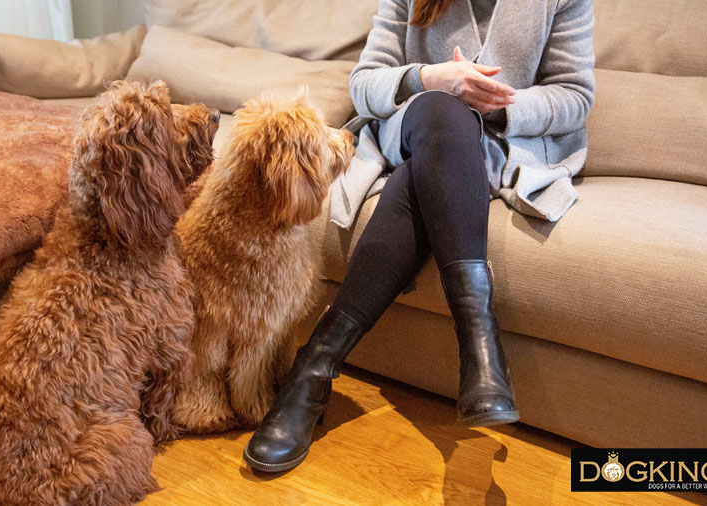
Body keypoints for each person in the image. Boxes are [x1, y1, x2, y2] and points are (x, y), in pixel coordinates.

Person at [243, 0, 596, 473]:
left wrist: (495, 102)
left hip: (498, 142)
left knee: (425, 172)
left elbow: (575, 95)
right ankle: (479, 348)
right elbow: (364, 82)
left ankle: (312, 370)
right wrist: (430, 79)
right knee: (441, 110)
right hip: (415, 124)